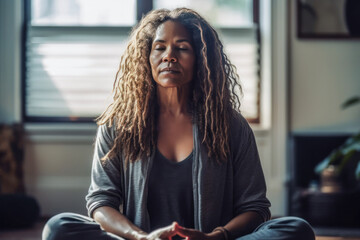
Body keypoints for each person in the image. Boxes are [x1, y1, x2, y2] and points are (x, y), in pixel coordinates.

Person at [42, 8, 315, 240]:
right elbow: (101, 203)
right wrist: (141, 237)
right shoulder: (119, 123)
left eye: (182, 48)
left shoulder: (230, 124)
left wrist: (214, 237)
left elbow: (255, 207)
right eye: (160, 47)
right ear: (146, 58)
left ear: (201, 60)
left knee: (295, 229)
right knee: (58, 228)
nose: (169, 56)